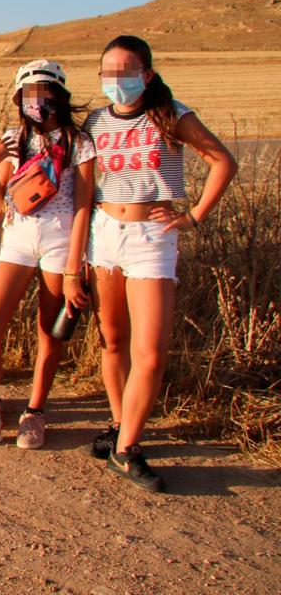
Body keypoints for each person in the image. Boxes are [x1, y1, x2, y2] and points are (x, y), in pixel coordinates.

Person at [84, 35, 237, 492]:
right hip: (103, 233)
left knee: (149, 353)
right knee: (112, 341)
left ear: (147, 74)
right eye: (108, 72)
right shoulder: (94, 121)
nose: (117, 80)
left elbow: (222, 162)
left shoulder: (171, 115)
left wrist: (192, 216)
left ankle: (127, 451)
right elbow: (85, 185)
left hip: (152, 235)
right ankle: (119, 428)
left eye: (126, 70)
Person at [0, 60, 95, 449]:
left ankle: (35, 413)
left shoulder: (79, 142)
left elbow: (83, 205)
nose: (35, 102)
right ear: (18, 98)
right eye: (28, 95)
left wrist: (75, 267)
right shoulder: (12, 138)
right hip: (17, 240)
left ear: (58, 95)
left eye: (43, 93)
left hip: (61, 242)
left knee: (48, 332)